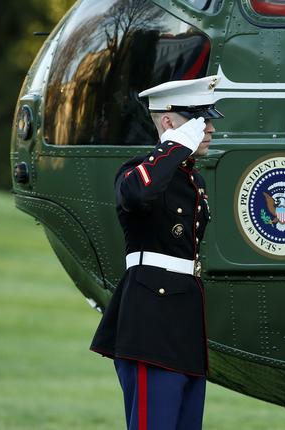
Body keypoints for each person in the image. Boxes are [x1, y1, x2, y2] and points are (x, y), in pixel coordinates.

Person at [90, 75, 223, 430]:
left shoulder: (192, 179)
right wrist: (176, 147)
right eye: (199, 119)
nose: (209, 128)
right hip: (151, 319)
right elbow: (136, 195)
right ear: (169, 122)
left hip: (184, 320)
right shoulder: (139, 170)